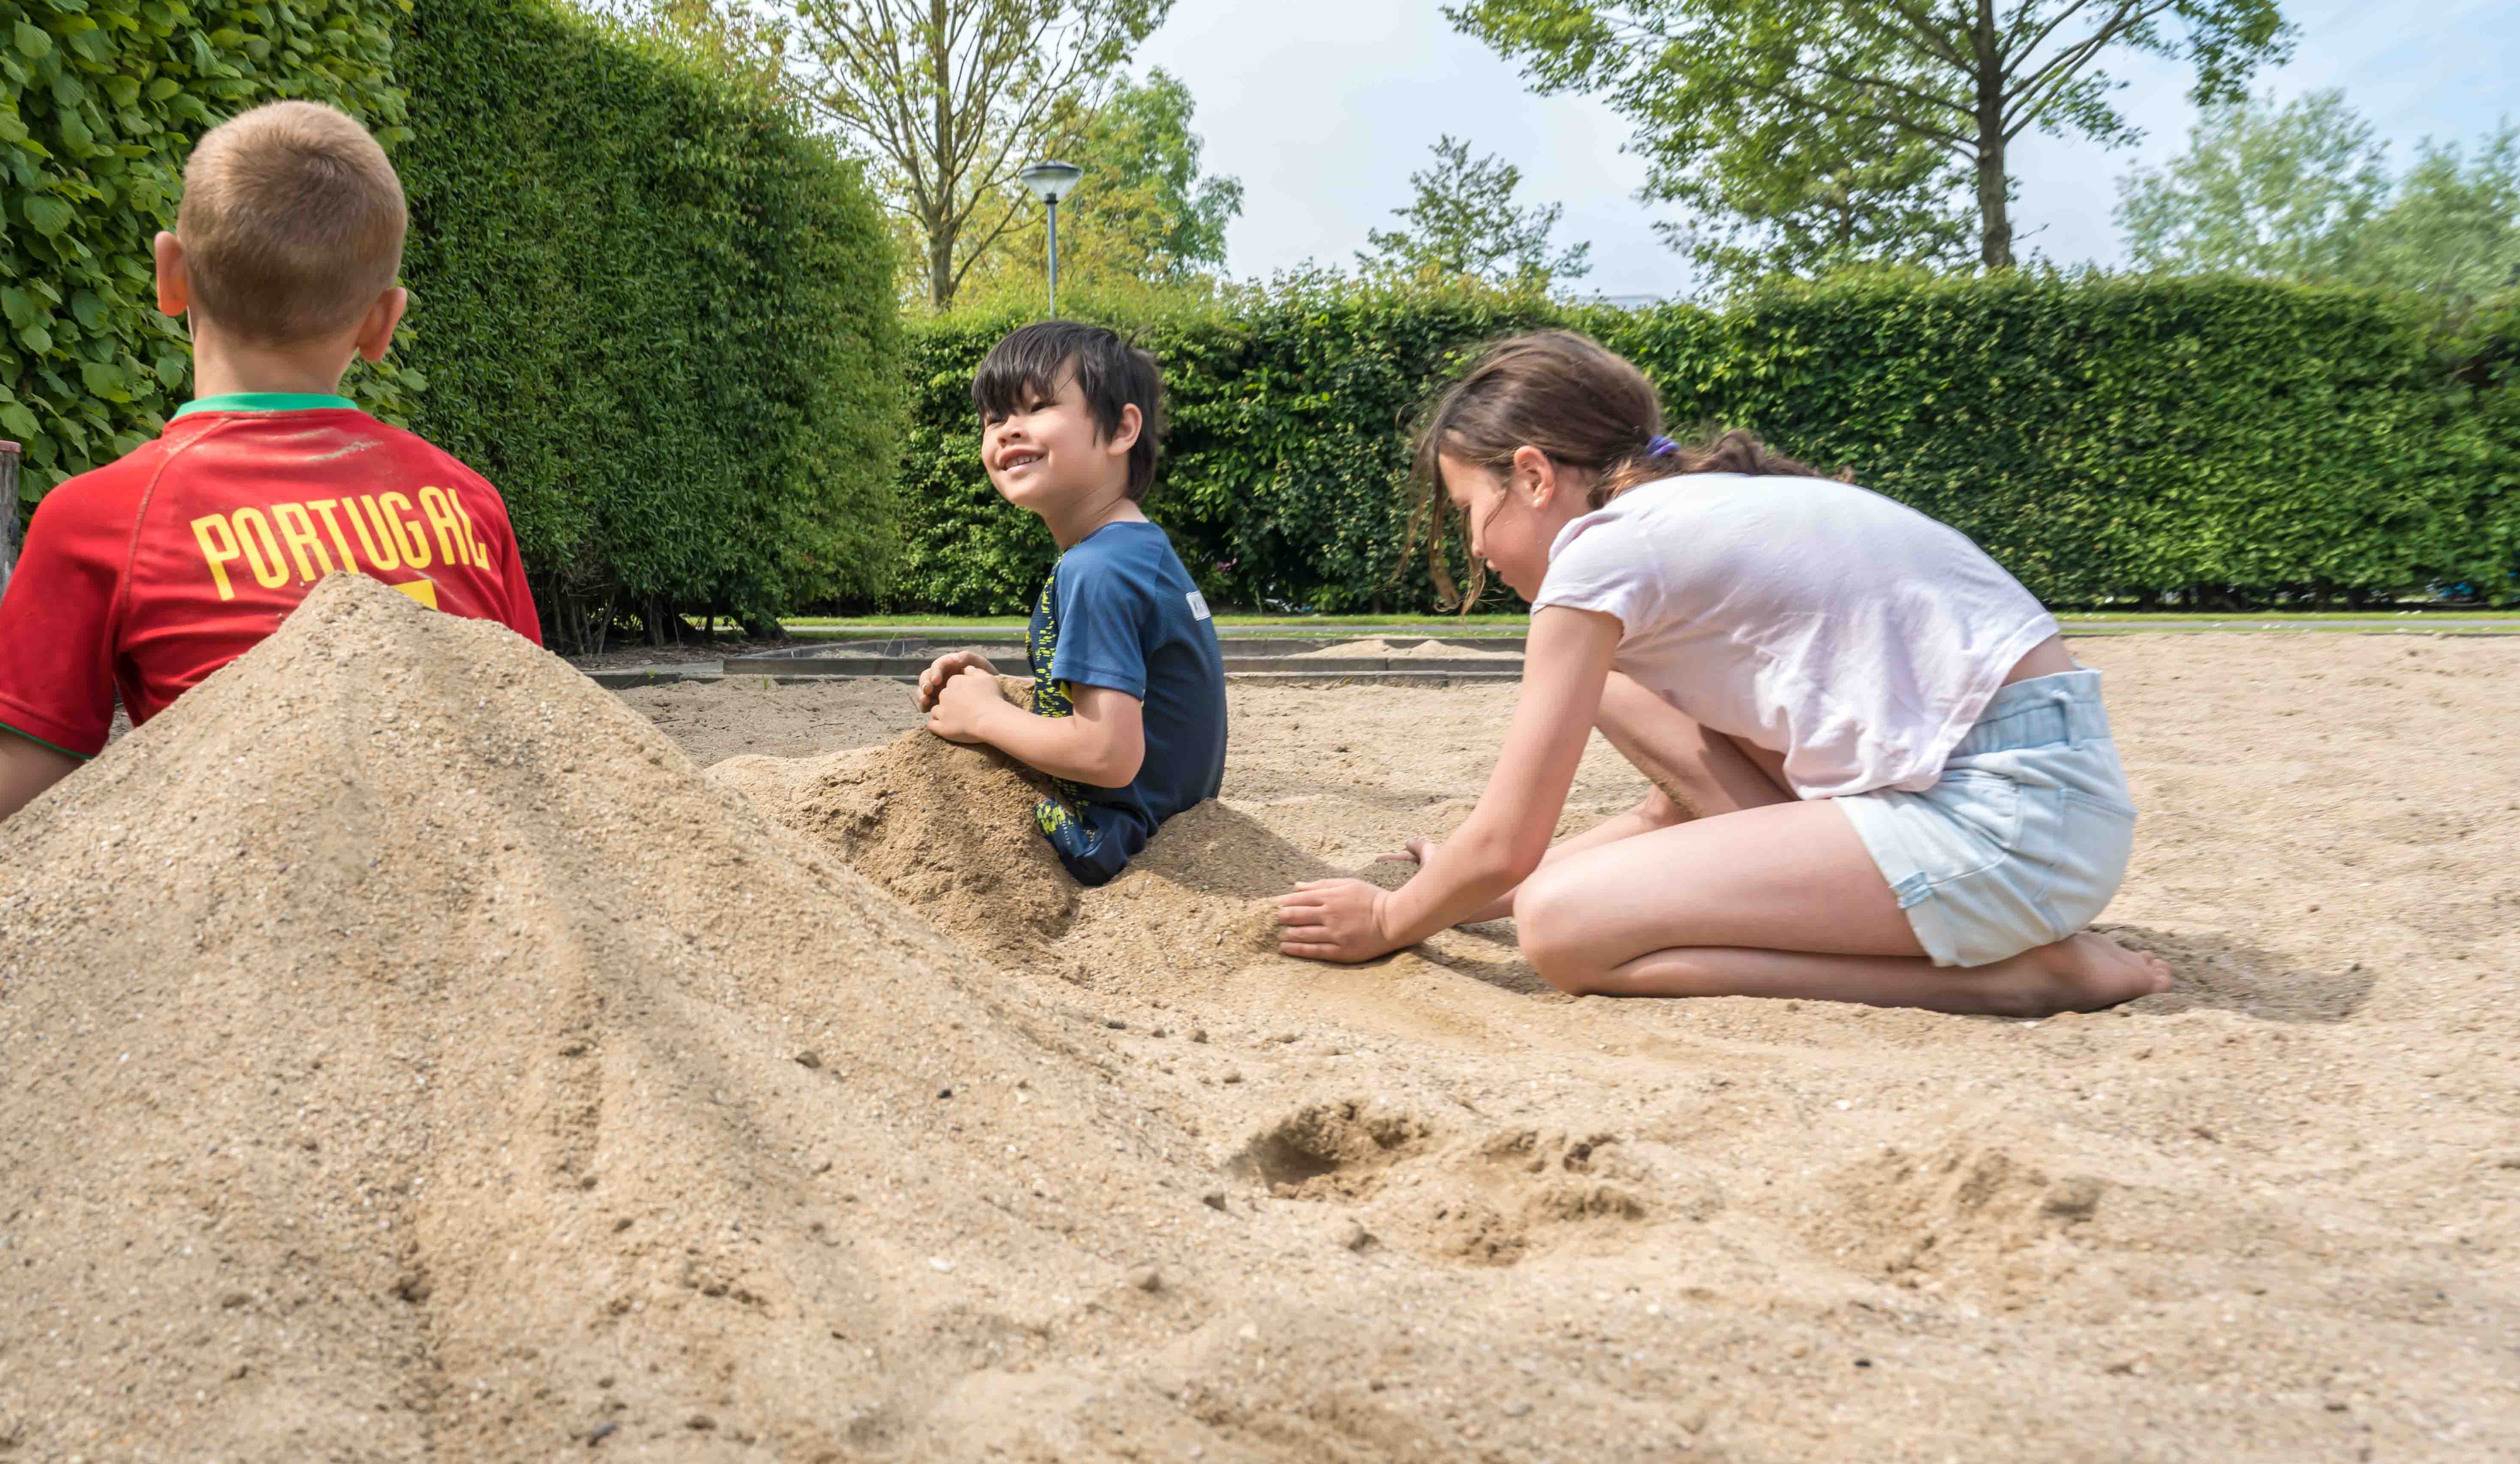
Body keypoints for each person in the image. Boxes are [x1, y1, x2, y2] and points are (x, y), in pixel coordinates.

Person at [1274, 329, 2168, 1016]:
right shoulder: (1692, 522)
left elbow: (1507, 838)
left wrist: (1393, 918)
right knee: (1600, 731)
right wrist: (1473, 895)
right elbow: (1675, 808)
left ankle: (2020, 977)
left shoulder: (1601, 557)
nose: (1474, 546)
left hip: (2004, 826)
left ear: (1534, 476)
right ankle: (2001, 941)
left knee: (1564, 928)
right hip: (2049, 801)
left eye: (1470, 506)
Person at [0, 101, 541, 832]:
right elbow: (540, 735)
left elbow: (13, 824)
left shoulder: (97, 518)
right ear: (382, 323)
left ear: (170, 274)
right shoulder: (470, 501)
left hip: (239, 877)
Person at [913, 321, 1228, 885]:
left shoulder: (1097, 570)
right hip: (1172, 817)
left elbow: (1109, 754)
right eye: (994, 418)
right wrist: (1002, 687)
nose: (1009, 430)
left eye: (1038, 407)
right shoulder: (1133, 551)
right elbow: (1133, 700)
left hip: (1108, 838)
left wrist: (986, 715)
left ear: (1121, 430)